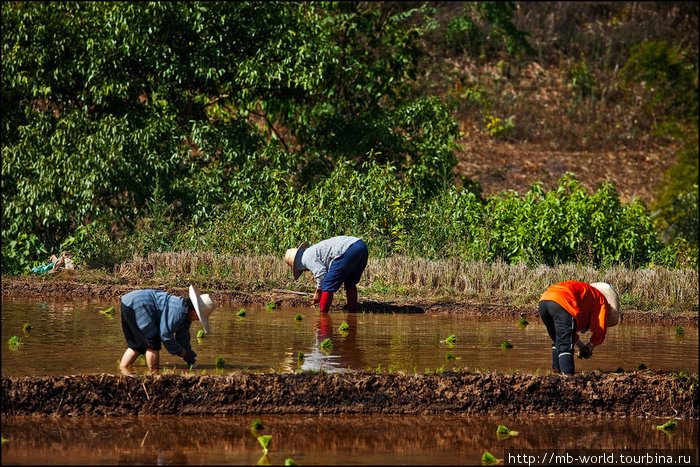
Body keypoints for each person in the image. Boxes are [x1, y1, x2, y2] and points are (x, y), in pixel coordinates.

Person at [119, 285, 216, 373]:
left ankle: (123, 372)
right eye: (199, 317)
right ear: (195, 312)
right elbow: (165, 335)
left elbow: (183, 337)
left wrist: (190, 359)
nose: (197, 320)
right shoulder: (179, 311)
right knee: (153, 343)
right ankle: (153, 375)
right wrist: (180, 351)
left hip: (128, 302)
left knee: (137, 345)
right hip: (139, 305)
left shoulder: (185, 314)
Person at [538, 281, 620, 376]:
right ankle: (569, 377)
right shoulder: (601, 300)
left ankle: (556, 373)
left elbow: (569, 331)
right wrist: (592, 345)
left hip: (544, 300)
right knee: (565, 345)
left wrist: (581, 346)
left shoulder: (587, 294)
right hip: (563, 301)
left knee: (558, 339)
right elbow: (600, 327)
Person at [284, 235, 368, 313]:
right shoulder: (311, 251)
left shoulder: (305, 258)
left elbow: (321, 274)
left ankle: (323, 316)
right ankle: (352, 311)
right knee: (350, 282)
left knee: (327, 284)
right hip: (361, 246)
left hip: (348, 250)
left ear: (298, 265)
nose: (305, 271)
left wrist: (318, 292)